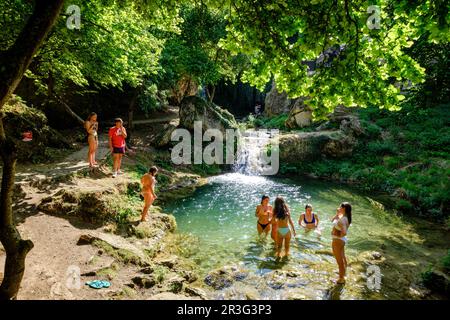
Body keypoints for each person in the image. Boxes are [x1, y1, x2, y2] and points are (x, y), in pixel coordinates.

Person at [331, 202, 352, 284]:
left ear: (343, 208)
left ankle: (341, 278)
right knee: (342, 257)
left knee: (339, 261)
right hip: (341, 240)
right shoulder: (345, 217)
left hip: (338, 241)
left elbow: (344, 232)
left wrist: (337, 235)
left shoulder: (343, 219)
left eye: (340, 207)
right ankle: (343, 272)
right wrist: (337, 213)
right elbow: (333, 220)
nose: (338, 207)